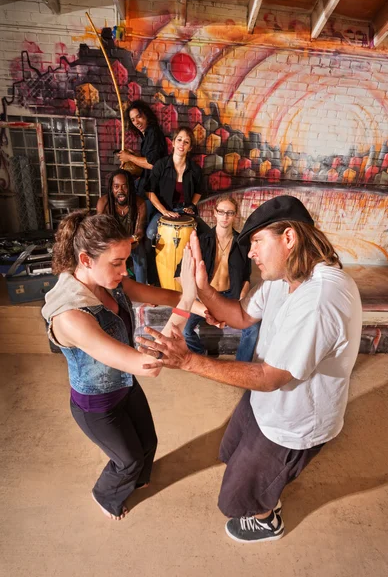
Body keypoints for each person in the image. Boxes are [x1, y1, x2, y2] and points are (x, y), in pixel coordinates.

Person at [136, 195, 363, 543]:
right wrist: (202, 287)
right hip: (265, 400)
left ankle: (267, 519)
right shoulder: (281, 277)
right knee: (230, 448)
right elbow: (241, 316)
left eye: (257, 241)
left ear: (288, 238)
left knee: (235, 500)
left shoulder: (320, 299)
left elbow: (271, 377)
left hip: (295, 420)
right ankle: (263, 487)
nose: (251, 252)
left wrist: (187, 360)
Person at [41, 211, 198, 521]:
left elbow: (163, 295)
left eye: (125, 260)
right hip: (96, 406)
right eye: (116, 263)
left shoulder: (110, 282)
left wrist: (204, 307)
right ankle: (106, 496)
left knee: (148, 443)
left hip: (125, 385)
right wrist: (189, 300)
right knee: (127, 460)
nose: (124, 270)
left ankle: (138, 480)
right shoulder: (71, 316)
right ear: (85, 260)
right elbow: (150, 365)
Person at [178, 194, 260, 361]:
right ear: (214, 213)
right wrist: (193, 296)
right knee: (185, 329)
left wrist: (243, 297)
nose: (225, 217)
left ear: (235, 215)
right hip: (204, 296)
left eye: (229, 213)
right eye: (221, 212)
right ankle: (201, 355)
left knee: (253, 327)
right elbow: (180, 273)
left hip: (230, 296)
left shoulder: (242, 244)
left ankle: (241, 365)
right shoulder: (202, 241)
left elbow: (246, 276)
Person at [146, 127, 210, 241]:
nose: (182, 144)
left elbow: (199, 191)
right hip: (164, 210)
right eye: (179, 140)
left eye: (186, 142)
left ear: (189, 148)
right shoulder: (161, 165)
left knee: (207, 235)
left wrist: (192, 205)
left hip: (185, 212)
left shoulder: (195, 169)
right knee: (151, 234)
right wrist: (164, 211)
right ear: (173, 143)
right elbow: (149, 191)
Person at [96, 169, 148, 283]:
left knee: (140, 256)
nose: (120, 190)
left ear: (130, 187)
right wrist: (115, 243)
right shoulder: (104, 203)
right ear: (111, 188)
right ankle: (110, 287)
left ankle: (141, 289)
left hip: (132, 242)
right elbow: (100, 231)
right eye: (116, 186)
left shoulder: (139, 203)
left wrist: (131, 240)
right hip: (112, 243)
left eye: (124, 186)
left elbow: (140, 231)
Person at [118, 100, 167, 199]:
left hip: (154, 191)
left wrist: (130, 157)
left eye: (138, 117)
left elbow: (151, 164)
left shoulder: (153, 133)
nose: (136, 122)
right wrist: (134, 157)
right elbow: (149, 158)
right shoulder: (146, 135)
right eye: (133, 120)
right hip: (146, 186)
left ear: (147, 115)